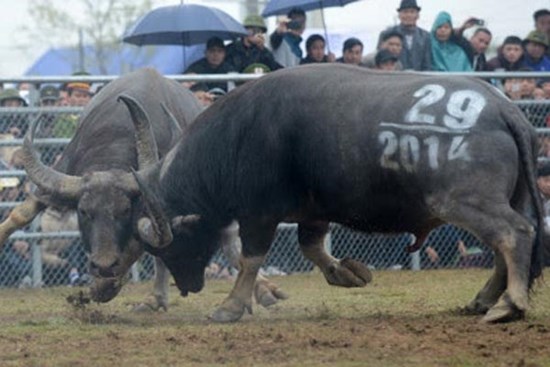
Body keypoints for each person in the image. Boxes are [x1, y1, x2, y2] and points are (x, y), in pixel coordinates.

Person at [377, 0, 431, 71]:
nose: (408, 15)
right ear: (399, 15)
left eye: (412, 12)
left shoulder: (425, 36)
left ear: (417, 16)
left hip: (418, 78)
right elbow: (379, 59)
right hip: (393, 77)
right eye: (405, 12)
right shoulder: (386, 34)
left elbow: (427, 63)